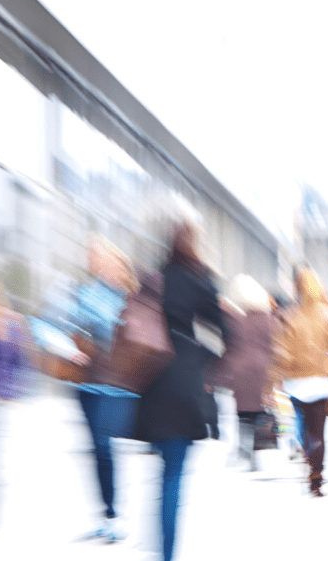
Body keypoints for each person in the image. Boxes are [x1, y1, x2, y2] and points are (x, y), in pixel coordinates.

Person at [30, 234, 138, 543]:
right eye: (95, 258)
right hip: (88, 382)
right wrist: (67, 347)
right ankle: (108, 516)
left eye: (106, 259)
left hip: (120, 385)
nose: (100, 265)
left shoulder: (134, 298)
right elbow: (42, 323)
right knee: (99, 449)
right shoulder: (80, 291)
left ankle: (113, 515)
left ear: (120, 263)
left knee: (104, 446)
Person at [134, 221, 228, 561]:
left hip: (153, 381)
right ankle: (166, 554)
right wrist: (206, 361)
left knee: (164, 473)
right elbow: (226, 332)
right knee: (174, 474)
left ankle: (161, 549)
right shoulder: (200, 278)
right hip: (184, 382)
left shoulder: (153, 279)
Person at [276, 267, 328, 497]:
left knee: (304, 427)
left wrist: (280, 374)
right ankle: (316, 476)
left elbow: (281, 351)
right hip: (321, 382)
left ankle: (309, 454)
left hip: (296, 382)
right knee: (319, 430)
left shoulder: (290, 314)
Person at [224, 274, 275, 471]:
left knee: (242, 412)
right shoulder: (268, 318)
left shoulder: (236, 318)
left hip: (240, 369)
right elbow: (273, 345)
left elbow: (229, 343)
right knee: (258, 411)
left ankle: (243, 448)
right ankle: (253, 451)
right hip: (262, 369)